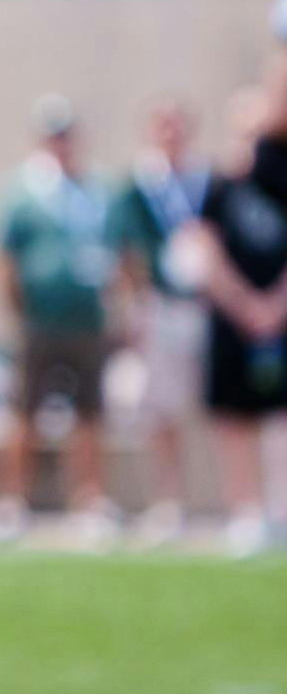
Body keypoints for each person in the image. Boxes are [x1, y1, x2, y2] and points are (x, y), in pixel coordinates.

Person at [0, 94, 120, 546]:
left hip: (87, 320)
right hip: (38, 323)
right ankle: (11, 502)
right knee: (23, 413)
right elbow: (1, 258)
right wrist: (15, 312)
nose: (60, 144)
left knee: (90, 415)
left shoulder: (97, 190)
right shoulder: (20, 192)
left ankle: (88, 501)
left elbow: (120, 253)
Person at [193, 66, 287, 556]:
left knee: (279, 416)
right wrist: (245, 304)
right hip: (234, 319)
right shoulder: (220, 181)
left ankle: (281, 511)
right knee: (234, 414)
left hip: (279, 317)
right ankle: (245, 512)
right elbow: (205, 248)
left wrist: (276, 304)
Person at [108, 95, 210, 547]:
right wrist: (132, 309)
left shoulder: (207, 181)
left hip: (204, 304)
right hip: (157, 305)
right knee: (160, 409)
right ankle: (169, 501)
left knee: (213, 404)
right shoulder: (136, 187)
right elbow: (123, 253)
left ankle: (225, 499)